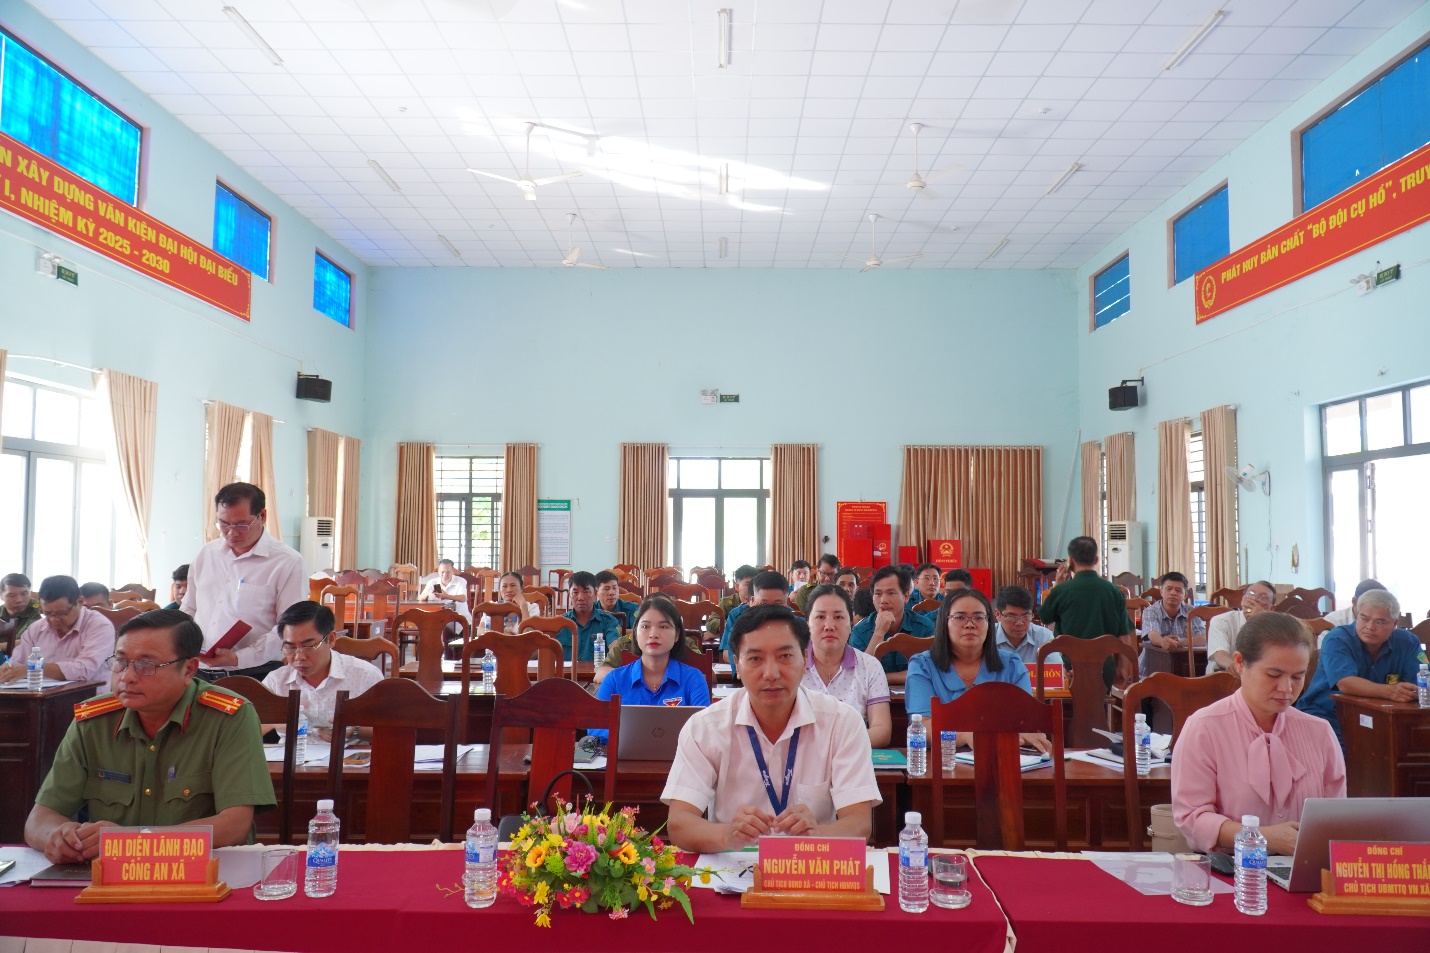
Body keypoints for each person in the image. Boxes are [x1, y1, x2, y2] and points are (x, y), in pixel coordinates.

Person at [24, 609, 275, 863]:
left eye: (146, 665)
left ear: (189, 669)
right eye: (121, 661)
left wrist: (132, 842)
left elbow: (234, 825)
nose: (127, 677)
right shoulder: (92, 721)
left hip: (203, 872)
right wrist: (59, 839)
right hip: (109, 875)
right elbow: (39, 819)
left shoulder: (228, 716)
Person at [662, 604, 881, 853]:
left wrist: (817, 834)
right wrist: (727, 835)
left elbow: (859, 823)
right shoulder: (705, 728)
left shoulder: (842, 723)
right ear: (737, 666)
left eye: (785, 656)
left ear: (805, 659)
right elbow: (679, 824)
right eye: (755, 659)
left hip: (811, 863)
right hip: (732, 866)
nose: (771, 673)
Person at [1173, 612, 1346, 856]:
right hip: (1231, 870)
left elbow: (1335, 818)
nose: (1286, 688)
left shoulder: (1319, 732)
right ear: (1240, 662)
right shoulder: (1205, 728)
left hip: (1303, 868)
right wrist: (1262, 837)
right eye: (1274, 675)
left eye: (1297, 677)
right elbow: (1192, 819)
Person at [182, 482, 305, 682]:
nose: (231, 533)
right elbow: (189, 608)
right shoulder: (207, 553)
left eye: (241, 525)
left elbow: (289, 627)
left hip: (255, 674)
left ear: (262, 516)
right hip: (199, 672)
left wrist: (239, 658)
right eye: (223, 524)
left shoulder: (287, 562)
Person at [904, 588, 1051, 753]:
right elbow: (921, 727)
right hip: (944, 760)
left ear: (989, 623)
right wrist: (968, 735)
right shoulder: (923, 665)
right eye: (960, 617)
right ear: (944, 622)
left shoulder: (1012, 665)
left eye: (979, 617)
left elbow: (1028, 722)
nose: (970, 624)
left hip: (1001, 758)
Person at [1295, 588, 1422, 744]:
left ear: (1395, 624)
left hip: (1379, 716)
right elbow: (1346, 683)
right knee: (1347, 752)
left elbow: (1423, 680)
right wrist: (1391, 691)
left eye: (1380, 622)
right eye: (1364, 618)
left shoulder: (1407, 642)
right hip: (1326, 714)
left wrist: (1413, 691)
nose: (1370, 626)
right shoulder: (1338, 638)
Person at [590, 598, 710, 741]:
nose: (653, 634)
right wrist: (637, 737)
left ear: (677, 635)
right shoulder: (614, 679)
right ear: (635, 633)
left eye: (663, 627)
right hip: (625, 754)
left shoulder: (694, 679)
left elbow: (704, 729)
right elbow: (595, 727)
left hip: (680, 755)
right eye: (645, 626)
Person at [262, 601, 383, 742]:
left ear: (331, 639)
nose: (299, 657)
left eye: (308, 646)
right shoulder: (276, 680)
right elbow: (246, 726)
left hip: (346, 754)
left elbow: (391, 729)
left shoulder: (364, 675)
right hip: (290, 754)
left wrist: (354, 731)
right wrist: (273, 721)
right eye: (290, 647)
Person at [801, 584, 891, 748]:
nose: (829, 626)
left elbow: (882, 730)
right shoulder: (791, 666)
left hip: (851, 755)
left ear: (851, 623)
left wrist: (837, 748)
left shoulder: (870, 666)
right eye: (820, 617)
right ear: (808, 623)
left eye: (838, 617)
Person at [1037, 536, 1132, 686]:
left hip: (1067, 667)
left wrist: (1056, 587)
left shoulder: (1062, 590)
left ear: (1071, 561)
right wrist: (1123, 666)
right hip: (1104, 668)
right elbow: (1124, 635)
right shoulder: (1114, 591)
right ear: (1096, 560)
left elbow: (1045, 617)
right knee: (1100, 700)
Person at [0, 575, 114, 685]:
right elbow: (16, 662)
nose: (54, 619)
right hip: (42, 693)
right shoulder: (37, 628)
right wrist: (6, 669)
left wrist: (35, 667)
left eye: (62, 613)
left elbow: (84, 669)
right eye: (47, 613)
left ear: (80, 601)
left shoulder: (100, 626)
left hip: (88, 695)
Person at [848, 565, 935, 683]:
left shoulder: (924, 627)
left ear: (906, 596)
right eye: (878, 594)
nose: (883, 600)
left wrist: (882, 677)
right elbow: (860, 676)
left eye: (891, 593)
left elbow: (929, 672)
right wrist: (878, 633)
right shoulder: (860, 631)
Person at [1138, 571, 1204, 678]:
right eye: (1168, 589)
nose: (1173, 593)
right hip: (1151, 668)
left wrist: (1182, 642)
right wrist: (1162, 642)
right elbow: (1152, 634)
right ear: (1161, 592)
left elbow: (1204, 637)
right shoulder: (1151, 611)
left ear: (1185, 595)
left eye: (1178, 590)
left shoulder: (1191, 611)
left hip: (1182, 668)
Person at [719, 570, 789, 665]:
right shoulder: (738, 620)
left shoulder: (796, 623)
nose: (770, 611)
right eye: (763, 604)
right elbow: (728, 654)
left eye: (777, 604)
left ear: (787, 603)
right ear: (752, 601)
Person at [1206, 580, 1276, 674]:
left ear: (1271, 609)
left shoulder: (1275, 628)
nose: (1254, 599)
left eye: (1263, 597)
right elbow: (1221, 656)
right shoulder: (1221, 621)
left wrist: (1260, 621)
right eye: (1251, 593)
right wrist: (1242, 671)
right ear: (1242, 599)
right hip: (1226, 675)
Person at [560, 571, 619, 662]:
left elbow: (614, 647)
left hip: (598, 671)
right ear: (569, 595)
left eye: (586, 592)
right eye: (575, 592)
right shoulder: (560, 623)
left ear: (595, 593)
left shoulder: (608, 621)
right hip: (566, 671)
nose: (580, 597)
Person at [993, 584, 1057, 665]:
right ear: (998, 615)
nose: (1019, 623)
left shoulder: (1044, 637)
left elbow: (1055, 670)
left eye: (1025, 616)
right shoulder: (986, 637)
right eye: (1011, 616)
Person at [706, 565, 757, 641]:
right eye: (748, 584)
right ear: (737, 587)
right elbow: (711, 622)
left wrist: (724, 631)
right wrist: (728, 627)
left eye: (754, 584)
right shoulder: (726, 602)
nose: (752, 588)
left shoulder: (761, 602)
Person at [0, 572, 41, 653]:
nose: (19, 600)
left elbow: (37, 641)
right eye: (11, 595)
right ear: (1, 596)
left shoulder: (41, 609)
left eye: (24, 594)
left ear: (30, 592)